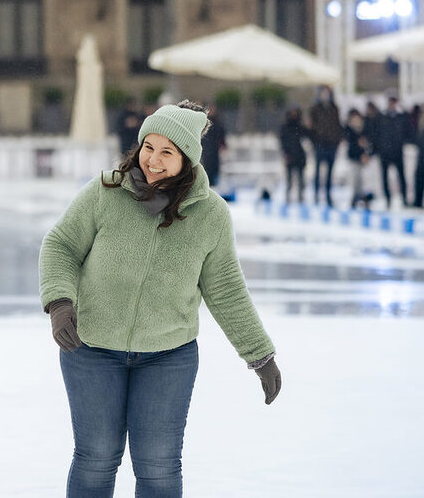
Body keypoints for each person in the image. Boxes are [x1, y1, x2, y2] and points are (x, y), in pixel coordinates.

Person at [39, 101, 280, 497]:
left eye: (167, 152)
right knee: (96, 457)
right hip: (92, 347)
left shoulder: (210, 215)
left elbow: (225, 288)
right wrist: (60, 302)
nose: (152, 159)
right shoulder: (106, 191)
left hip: (169, 355)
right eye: (149, 146)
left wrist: (260, 355)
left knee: (158, 466)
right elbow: (61, 245)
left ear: (187, 160)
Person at [308, 86, 343, 208]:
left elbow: (337, 125)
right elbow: (311, 127)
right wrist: (315, 141)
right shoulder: (315, 109)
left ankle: (328, 195)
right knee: (318, 170)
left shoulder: (334, 109)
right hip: (319, 144)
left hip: (332, 144)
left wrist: (337, 140)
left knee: (329, 172)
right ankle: (316, 195)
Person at [374, 94, 411, 209]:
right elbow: (376, 133)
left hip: (397, 151)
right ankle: (388, 199)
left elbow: (407, 131)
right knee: (385, 177)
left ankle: (404, 199)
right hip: (384, 152)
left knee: (401, 176)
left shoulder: (401, 116)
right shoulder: (381, 116)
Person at [279, 107, 310, 204]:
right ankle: (287, 199)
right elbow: (282, 142)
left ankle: (301, 199)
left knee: (301, 181)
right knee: (289, 180)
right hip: (289, 156)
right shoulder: (285, 127)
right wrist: (285, 154)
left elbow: (307, 138)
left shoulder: (300, 127)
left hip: (300, 156)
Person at [344, 108, 373, 209]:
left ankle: (364, 198)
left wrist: (366, 154)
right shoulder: (349, 131)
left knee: (364, 181)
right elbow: (351, 147)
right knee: (356, 180)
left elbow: (368, 144)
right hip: (354, 159)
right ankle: (355, 198)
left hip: (364, 160)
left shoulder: (365, 129)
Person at [199, 104, 227, 188]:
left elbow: (222, 136)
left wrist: (223, 146)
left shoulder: (218, 123)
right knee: (206, 168)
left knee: (214, 168)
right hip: (205, 150)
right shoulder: (203, 123)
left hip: (214, 151)